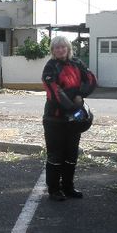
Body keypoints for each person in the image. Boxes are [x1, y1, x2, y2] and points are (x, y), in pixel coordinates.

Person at [41, 35, 97, 201]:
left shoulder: (77, 63)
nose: (60, 50)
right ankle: (54, 189)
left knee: (71, 154)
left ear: (68, 48)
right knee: (55, 155)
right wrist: (73, 106)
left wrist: (80, 94)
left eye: (63, 47)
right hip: (55, 118)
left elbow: (91, 80)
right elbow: (55, 91)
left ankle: (68, 186)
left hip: (74, 119)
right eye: (57, 47)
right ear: (53, 50)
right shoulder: (50, 67)